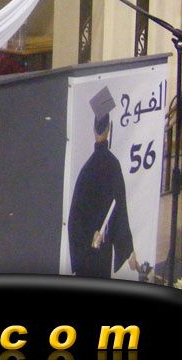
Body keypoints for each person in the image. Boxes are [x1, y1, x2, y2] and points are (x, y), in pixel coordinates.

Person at [68, 85, 139, 278]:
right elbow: (120, 211)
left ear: (94, 130)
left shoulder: (86, 170)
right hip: (102, 249)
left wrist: (88, 239)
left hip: (88, 251)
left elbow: (75, 218)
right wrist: (128, 250)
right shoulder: (113, 165)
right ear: (109, 130)